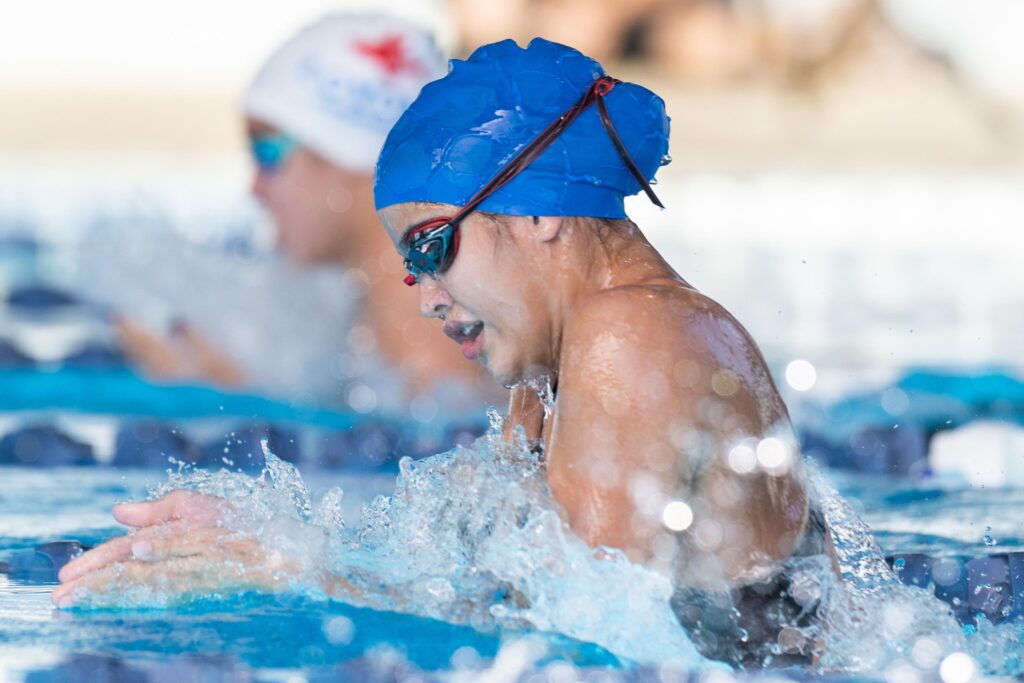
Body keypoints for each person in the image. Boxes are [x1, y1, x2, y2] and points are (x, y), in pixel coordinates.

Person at [54, 38, 831, 668]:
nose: (426, 296)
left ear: (539, 215)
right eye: (410, 265)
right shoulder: (552, 364)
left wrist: (299, 579)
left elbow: (591, 636)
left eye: (434, 248)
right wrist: (275, 543)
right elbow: (504, 584)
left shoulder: (628, 335)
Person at [114, 13, 492, 415]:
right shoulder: (395, 322)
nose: (254, 187)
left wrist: (230, 410)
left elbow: (424, 452)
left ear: (355, 156)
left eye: (267, 152)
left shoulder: (427, 344)